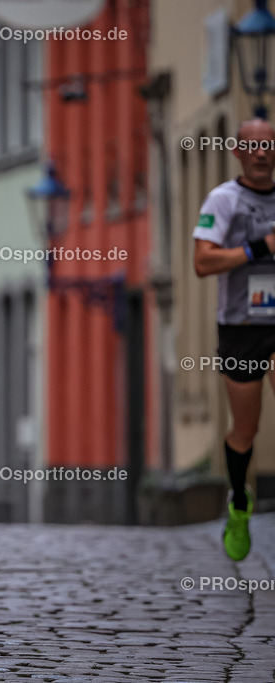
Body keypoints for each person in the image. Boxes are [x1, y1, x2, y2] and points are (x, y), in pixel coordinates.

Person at [193, 117, 275, 562]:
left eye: (270, 144)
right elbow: (202, 263)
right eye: (254, 146)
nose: (262, 152)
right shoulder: (223, 200)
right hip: (242, 328)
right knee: (247, 429)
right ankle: (239, 504)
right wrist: (259, 248)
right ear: (239, 152)